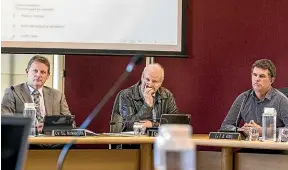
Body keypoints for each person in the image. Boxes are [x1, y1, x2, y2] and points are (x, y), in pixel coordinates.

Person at [1, 55, 71, 133]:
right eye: (35, 71)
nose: (38, 75)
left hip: (53, 143)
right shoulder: (12, 92)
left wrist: (48, 127)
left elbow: (70, 124)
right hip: (27, 142)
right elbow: (5, 123)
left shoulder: (58, 95)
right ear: (27, 72)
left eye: (43, 72)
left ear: (47, 76)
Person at [220, 59, 288, 137]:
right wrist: (241, 130)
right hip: (250, 147)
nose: (257, 79)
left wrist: (265, 132)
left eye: (262, 76)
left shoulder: (282, 100)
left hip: (275, 148)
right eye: (254, 75)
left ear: (272, 80)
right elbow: (225, 126)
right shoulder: (243, 98)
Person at [110, 63, 178, 132]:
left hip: (160, 140)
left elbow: (174, 124)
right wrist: (147, 105)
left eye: (154, 81)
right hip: (133, 141)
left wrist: (153, 125)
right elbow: (130, 125)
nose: (150, 84)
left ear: (161, 82)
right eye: (147, 79)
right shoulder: (126, 95)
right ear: (142, 77)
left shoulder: (167, 95)